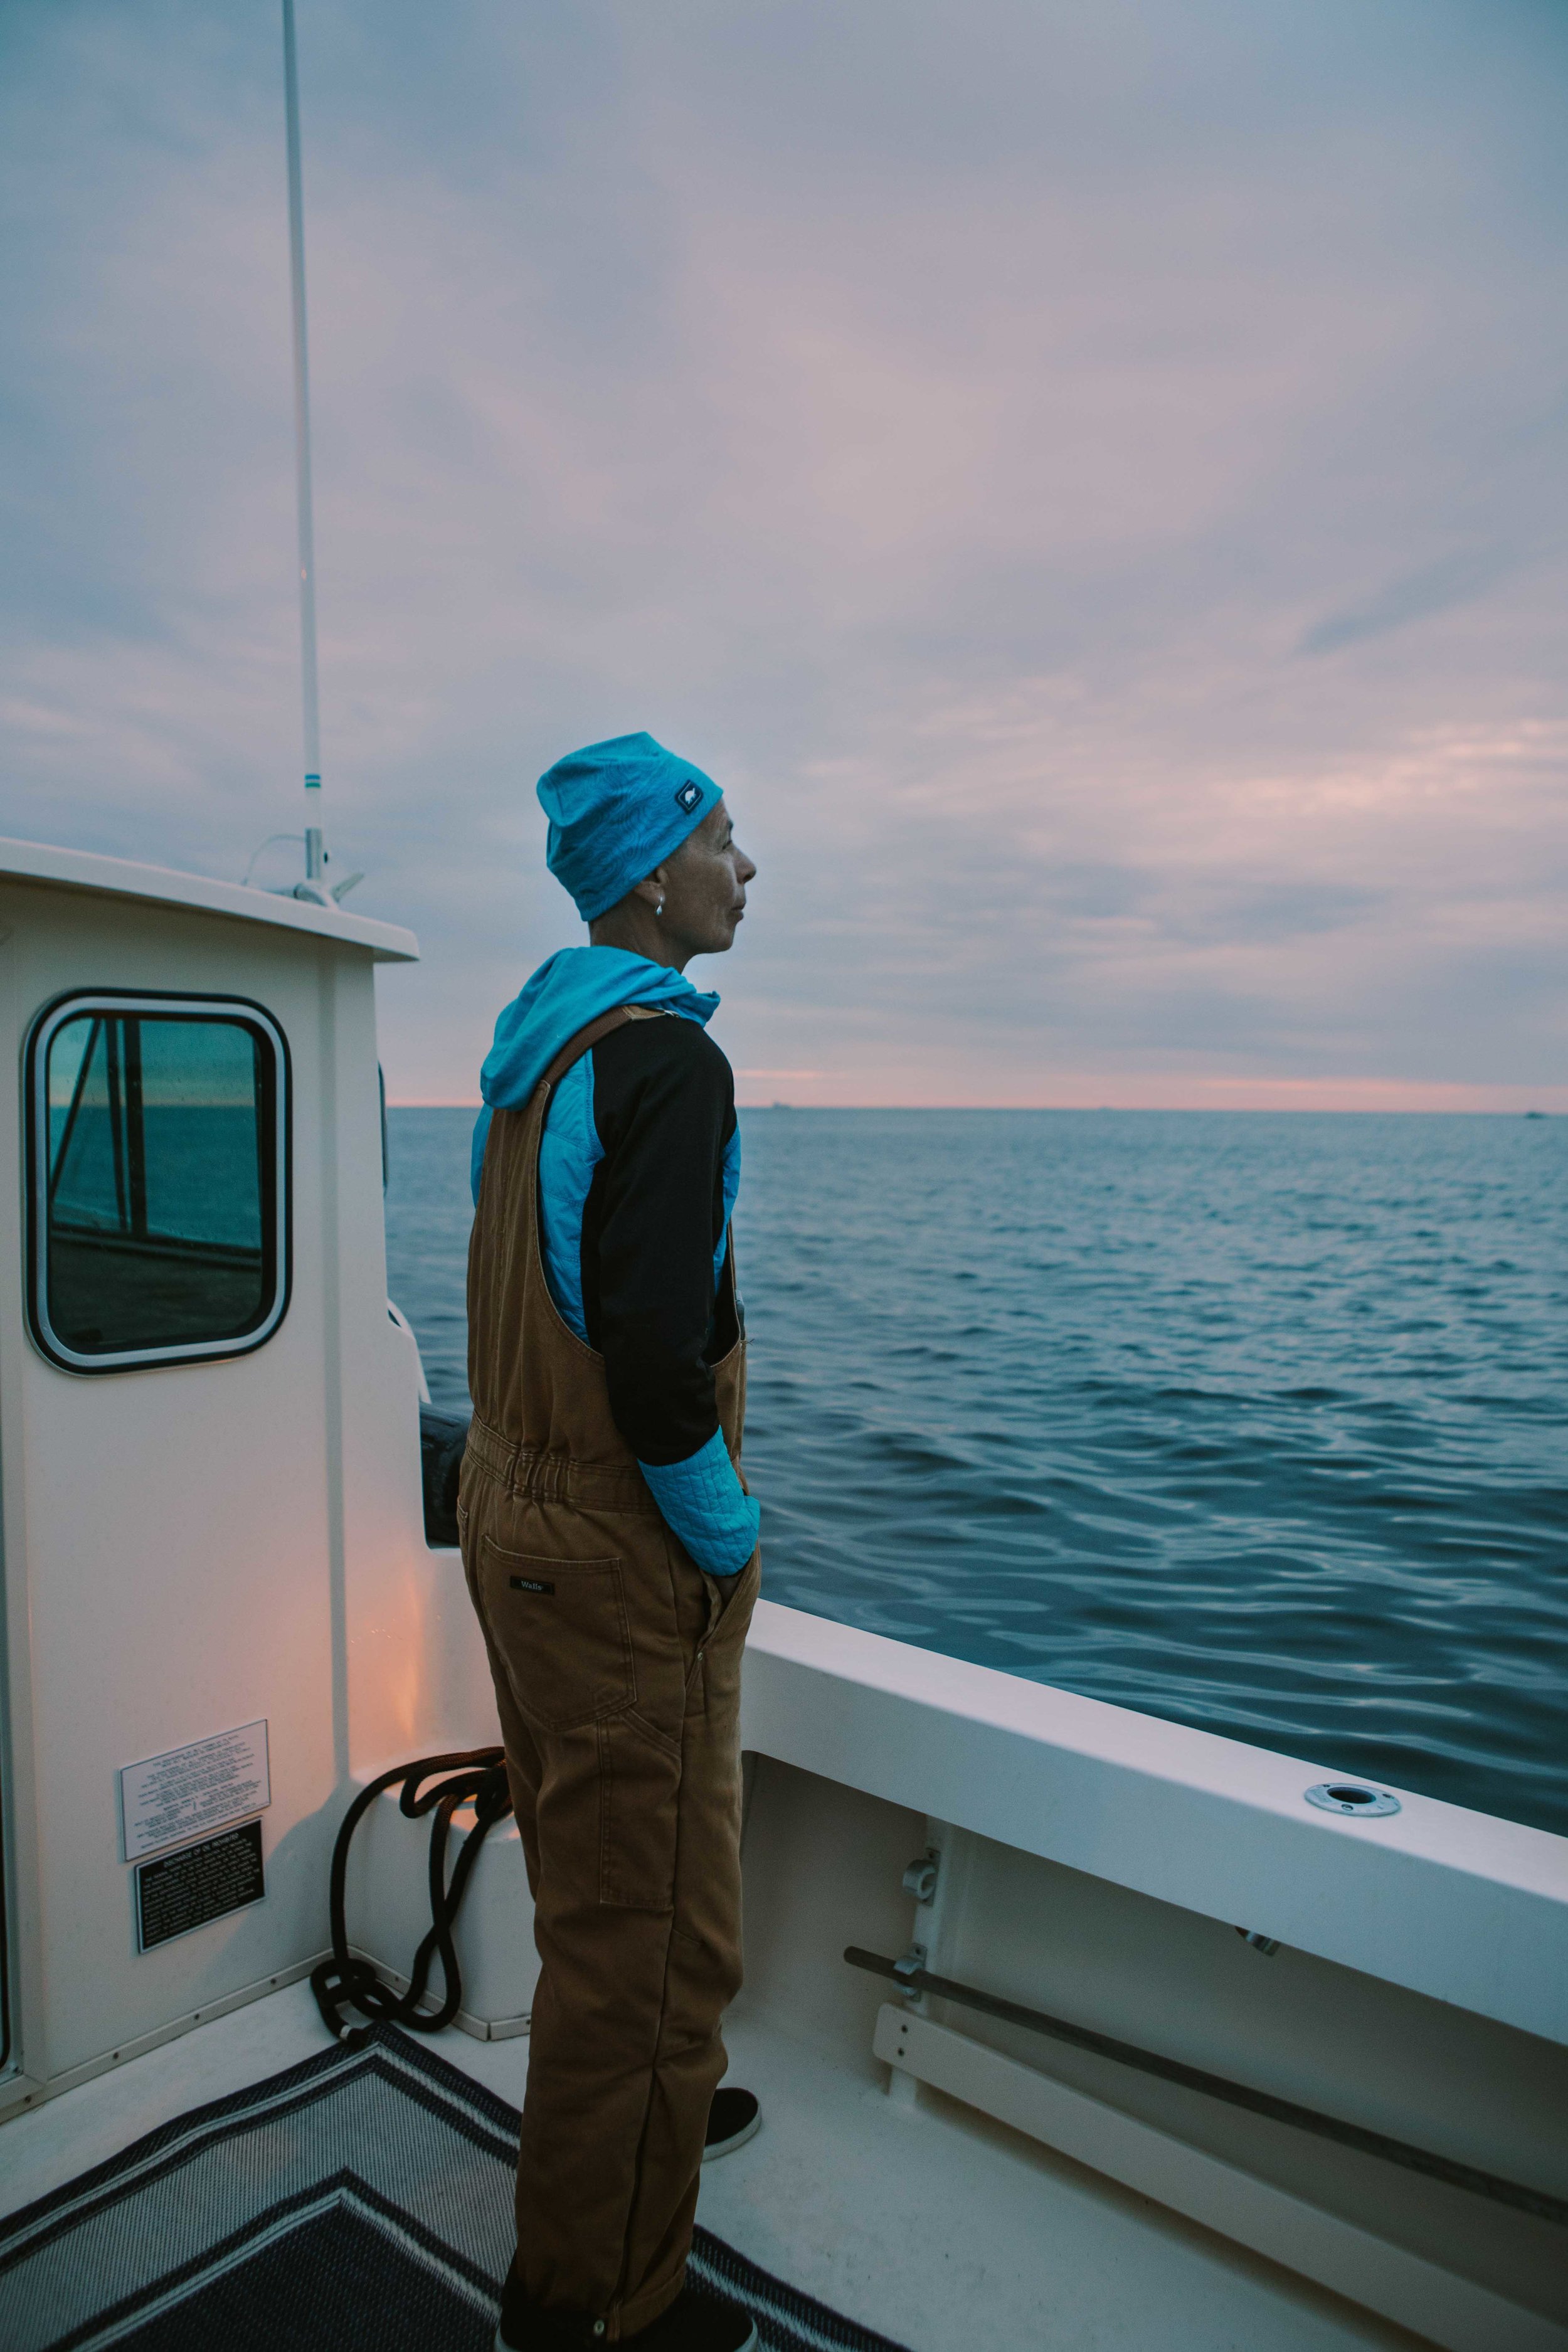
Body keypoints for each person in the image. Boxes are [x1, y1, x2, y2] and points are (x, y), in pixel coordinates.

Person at [461, 733, 763, 2352]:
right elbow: (653, 1370)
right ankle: (593, 2308)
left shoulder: (532, 1059)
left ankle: (652, 2109)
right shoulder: (669, 1067)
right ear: (654, 871)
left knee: (593, 1897)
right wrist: (727, 1536)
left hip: (507, 1512)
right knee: (646, 1946)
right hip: (614, 1544)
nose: (746, 869)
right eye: (726, 840)